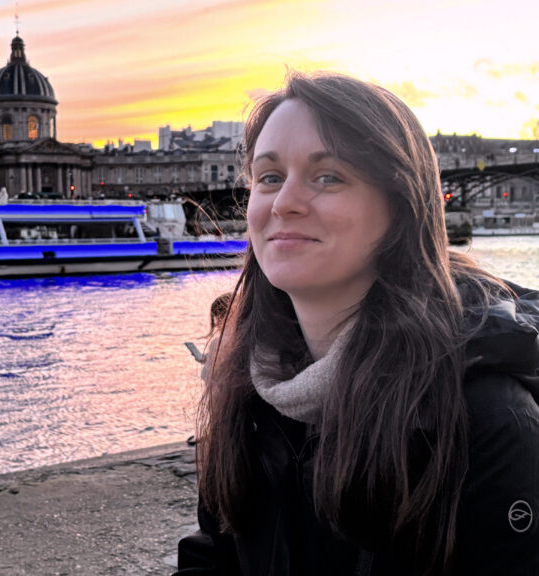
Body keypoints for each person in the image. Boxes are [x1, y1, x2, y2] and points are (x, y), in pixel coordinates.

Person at [175, 72, 539, 575]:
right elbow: (214, 557)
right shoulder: (244, 387)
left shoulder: (488, 417)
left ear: (402, 207)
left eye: (329, 177)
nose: (284, 203)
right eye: (269, 177)